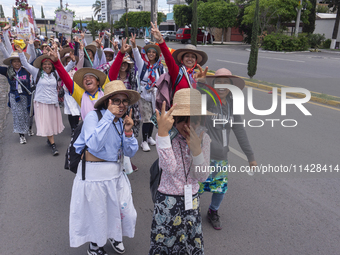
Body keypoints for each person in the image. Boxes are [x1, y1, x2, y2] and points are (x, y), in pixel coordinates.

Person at [70, 80, 140, 255]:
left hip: (116, 174)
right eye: (116, 101)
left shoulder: (121, 121)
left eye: (124, 101)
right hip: (94, 175)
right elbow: (93, 144)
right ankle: (95, 246)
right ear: (107, 102)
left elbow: (130, 151)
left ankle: (115, 234)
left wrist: (129, 132)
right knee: (98, 214)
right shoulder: (94, 117)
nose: (122, 105)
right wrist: (109, 116)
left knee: (127, 213)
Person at [149, 88, 212, 255]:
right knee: (165, 246)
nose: (189, 126)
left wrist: (197, 151)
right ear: (174, 119)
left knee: (190, 245)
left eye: (195, 121)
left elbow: (202, 176)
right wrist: (162, 133)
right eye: (184, 120)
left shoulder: (203, 138)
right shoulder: (167, 136)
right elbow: (169, 168)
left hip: (192, 201)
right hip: (167, 202)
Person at [199, 68, 257, 230]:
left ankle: (213, 211)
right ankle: (191, 211)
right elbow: (198, 102)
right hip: (203, 155)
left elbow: (240, 130)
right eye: (219, 82)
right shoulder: (208, 101)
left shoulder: (232, 106)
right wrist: (201, 85)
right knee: (198, 187)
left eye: (226, 82)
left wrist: (250, 156)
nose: (222, 86)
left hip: (221, 157)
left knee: (220, 188)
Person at [51, 38, 131, 120]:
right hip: (88, 131)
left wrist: (120, 53)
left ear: (98, 82)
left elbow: (113, 72)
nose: (87, 79)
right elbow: (65, 77)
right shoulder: (80, 94)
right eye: (85, 78)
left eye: (91, 77)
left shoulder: (104, 90)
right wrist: (56, 62)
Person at [17, 46, 75, 155]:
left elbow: (65, 70)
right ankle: (53, 145)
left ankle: (49, 140)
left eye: (49, 64)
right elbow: (25, 64)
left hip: (53, 103)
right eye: (45, 64)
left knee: (52, 123)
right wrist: (21, 53)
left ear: (52, 65)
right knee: (47, 124)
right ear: (41, 65)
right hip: (41, 103)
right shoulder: (36, 72)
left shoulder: (55, 74)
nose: (47, 66)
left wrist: (72, 61)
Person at [150, 21, 208, 94]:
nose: (190, 59)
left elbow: (204, 96)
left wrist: (203, 82)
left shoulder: (198, 75)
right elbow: (168, 57)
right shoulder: (177, 72)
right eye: (187, 56)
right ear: (182, 59)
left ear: (196, 61)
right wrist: (160, 40)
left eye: (193, 57)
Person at [130, 33, 165, 152]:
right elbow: (136, 55)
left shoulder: (160, 67)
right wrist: (134, 45)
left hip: (155, 95)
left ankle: (149, 136)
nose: (151, 54)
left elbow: (163, 80)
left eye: (153, 52)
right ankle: (144, 141)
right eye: (149, 52)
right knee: (146, 118)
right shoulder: (142, 65)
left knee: (153, 117)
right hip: (143, 95)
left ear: (156, 55)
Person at [0, 51, 34, 144]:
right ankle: (21, 135)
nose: (17, 63)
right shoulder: (8, 71)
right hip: (15, 97)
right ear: (11, 63)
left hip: (27, 96)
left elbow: (35, 60)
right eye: (14, 61)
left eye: (18, 61)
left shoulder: (26, 70)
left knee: (29, 115)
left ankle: (29, 128)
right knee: (18, 116)